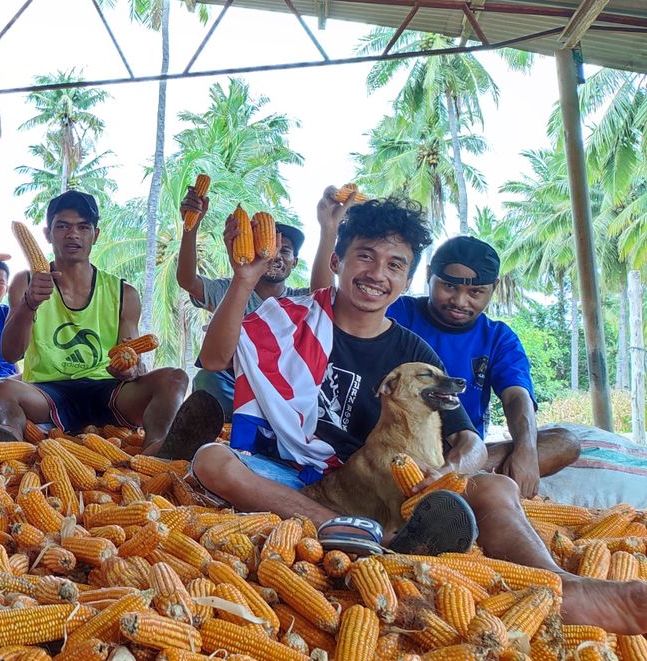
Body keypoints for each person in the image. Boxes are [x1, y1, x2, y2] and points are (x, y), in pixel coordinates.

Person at [192, 196, 647, 633]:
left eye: (394, 265)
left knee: (497, 485)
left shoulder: (413, 352)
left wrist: (451, 471)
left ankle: (563, 587)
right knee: (211, 460)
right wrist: (245, 278)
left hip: (379, 488)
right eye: (364, 257)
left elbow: (467, 439)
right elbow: (214, 360)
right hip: (293, 477)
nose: (376, 274)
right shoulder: (291, 317)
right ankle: (362, 534)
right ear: (337, 262)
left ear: (408, 279)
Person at [0, 191, 193, 455]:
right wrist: (29, 303)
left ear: (95, 235)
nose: (73, 234)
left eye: (83, 227)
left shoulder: (123, 293)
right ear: (48, 234)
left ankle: (157, 451)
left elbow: (132, 359)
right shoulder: (25, 282)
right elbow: (11, 353)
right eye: (63, 226)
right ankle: (8, 453)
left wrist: (130, 368)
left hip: (107, 390)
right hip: (47, 392)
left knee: (175, 379)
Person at [388, 235, 581, 495]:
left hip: (466, 454)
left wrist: (526, 453)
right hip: (398, 450)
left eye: (475, 292)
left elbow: (516, 397)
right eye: (448, 286)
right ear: (428, 275)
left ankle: (443, 480)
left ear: (494, 287)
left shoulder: (498, 337)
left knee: (565, 442)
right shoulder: (396, 312)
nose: (460, 301)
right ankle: (447, 483)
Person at [176, 184, 342, 410]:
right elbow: (187, 280)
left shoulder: (301, 300)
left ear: (294, 262)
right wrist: (190, 226)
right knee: (208, 378)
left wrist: (328, 228)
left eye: (285, 250)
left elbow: (325, 298)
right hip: (235, 383)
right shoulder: (230, 289)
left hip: (285, 391)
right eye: (272, 246)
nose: (276, 255)